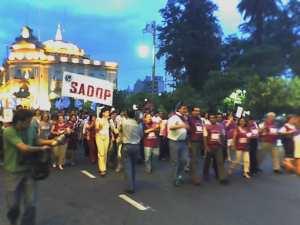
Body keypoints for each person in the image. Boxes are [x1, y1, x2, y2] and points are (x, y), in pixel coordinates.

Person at [2, 109, 56, 225]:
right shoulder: (9, 131)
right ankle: (13, 220)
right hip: (13, 173)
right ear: (19, 121)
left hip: (29, 170)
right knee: (13, 204)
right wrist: (41, 149)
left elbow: (37, 140)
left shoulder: (30, 128)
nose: (30, 124)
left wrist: (52, 141)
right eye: (27, 122)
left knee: (31, 203)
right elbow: (23, 147)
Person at [119, 109, 143, 194]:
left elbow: (120, 131)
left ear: (127, 115)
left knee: (127, 167)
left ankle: (130, 187)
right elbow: (141, 135)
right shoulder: (138, 124)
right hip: (136, 146)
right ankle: (132, 183)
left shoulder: (124, 123)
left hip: (126, 145)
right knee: (133, 166)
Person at [167, 103, 189, 187]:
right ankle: (175, 179)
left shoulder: (185, 118)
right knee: (175, 161)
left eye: (186, 109)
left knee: (184, 160)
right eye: (183, 109)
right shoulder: (173, 117)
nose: (185, 110)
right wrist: (181, 125)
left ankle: (179, 176)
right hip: (174, 142)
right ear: (178, 109)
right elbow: (171, 127)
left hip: (183, 142)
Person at [203, 113, 228, 185]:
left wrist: (222, 143)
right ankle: (205, 175)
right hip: (209, 147)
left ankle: (222, 178)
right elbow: (204, 137)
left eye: (213, 118)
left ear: (216, 119)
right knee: (207, 162)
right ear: (209, 119)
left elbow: (223, 135)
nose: (212, 119)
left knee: (220, 162)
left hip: (218, 147)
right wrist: (206, 147)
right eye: (210, 118)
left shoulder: (220, 126)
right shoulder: (206, 126)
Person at [187, 106, 204, 185]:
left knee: (196, 159)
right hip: (193, 142)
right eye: (196, 111)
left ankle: (191, 172)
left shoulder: (200, 120)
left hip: (199, 142)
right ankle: (194, 178)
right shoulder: (189, 119)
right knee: (194, 159)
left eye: (198, 111)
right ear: (192, 112)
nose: (197, 112)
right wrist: (189, 143)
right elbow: (187, 132)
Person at [95, 107, 111, 176]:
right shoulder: (98, 119)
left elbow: (112, 129)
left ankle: (103, 166)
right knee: (101, 153)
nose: (108, 113)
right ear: (103, 113)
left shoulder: (109, 120)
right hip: (99, 137)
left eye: (108, 112)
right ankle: (102, 169)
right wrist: (101, 126)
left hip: (107, 137)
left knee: (105, 153)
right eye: (107, 112)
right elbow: (96, 129)